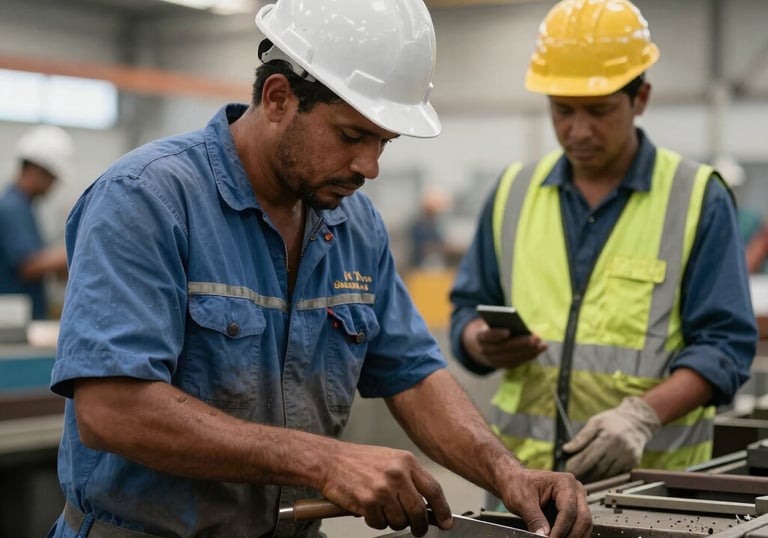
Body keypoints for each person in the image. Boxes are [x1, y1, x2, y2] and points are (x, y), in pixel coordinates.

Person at [47, 1, 592, 537]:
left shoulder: (355, 225)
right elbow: (112, 408)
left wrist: (509, 474)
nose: (370, 166)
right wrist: (325, 461)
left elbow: (414, 374)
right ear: (278, 97)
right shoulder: (148, 200)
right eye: (352, 136)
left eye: (384, 141)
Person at [449, 0, 757, 494]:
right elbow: (465, 308)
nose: (578, 131)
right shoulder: (512, 193)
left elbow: (726, 345)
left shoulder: (697, 198)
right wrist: (479, 340)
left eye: (599, 111)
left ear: (641, 98)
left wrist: (642, 416)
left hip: (648, 493)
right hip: (524, 491)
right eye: (561, 111)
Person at [0, 125, 73, 320]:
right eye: (52, 179)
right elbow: (28, 265)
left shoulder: (22, 206)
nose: (53, 186)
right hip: (13, 318)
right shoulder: (12, 207)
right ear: (37, 170)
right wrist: (79, 249)